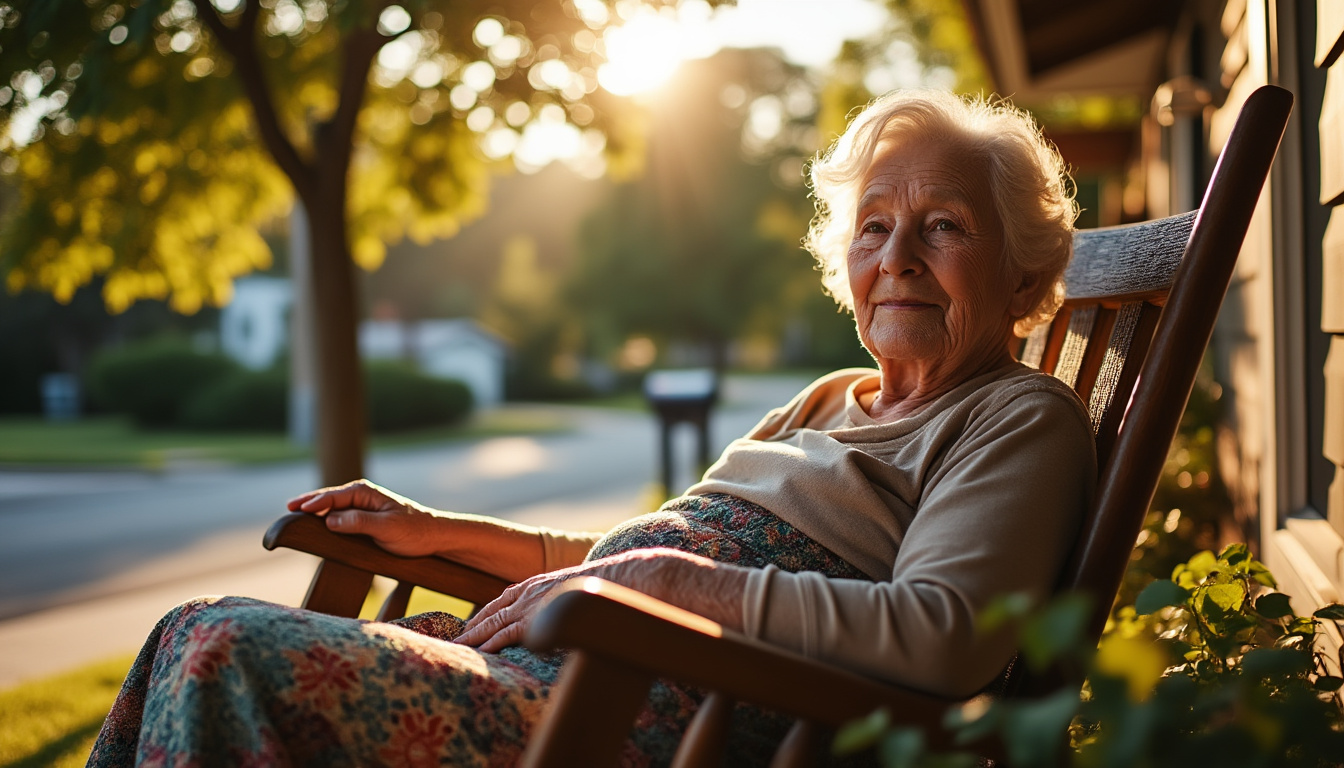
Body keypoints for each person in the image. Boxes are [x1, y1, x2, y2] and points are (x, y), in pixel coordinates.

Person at [89, 89, 1094, 767]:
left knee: (228, 649)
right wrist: (439, 532)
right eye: (875, 226)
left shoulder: (1017, 418)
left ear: (1020, 271)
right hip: (583, 663)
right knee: (185, 630)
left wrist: (659, 582)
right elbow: (622, 555)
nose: (900, 256)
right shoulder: (833, 396)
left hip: (655, 710)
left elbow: (947, 639)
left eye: (945, 225)